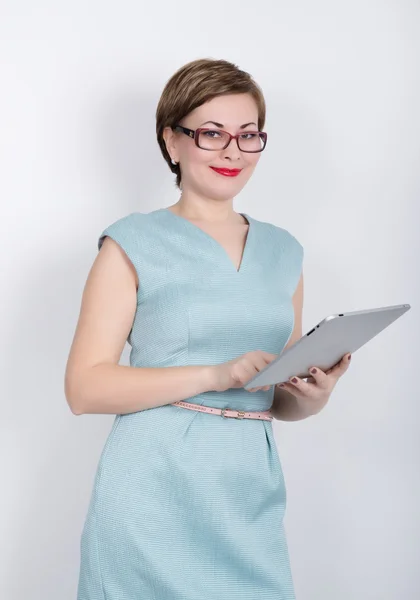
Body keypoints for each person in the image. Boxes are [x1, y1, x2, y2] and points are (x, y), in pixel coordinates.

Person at [65, 58, 351, 600]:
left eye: (248, 136)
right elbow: (84, 389)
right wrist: (215, 373)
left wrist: (312, 395)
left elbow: (274, 396)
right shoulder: (131, 242)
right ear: (172, 142)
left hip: (246, 494)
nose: (232, 152)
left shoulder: (285, 251)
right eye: (211, 133)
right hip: (150, 489)